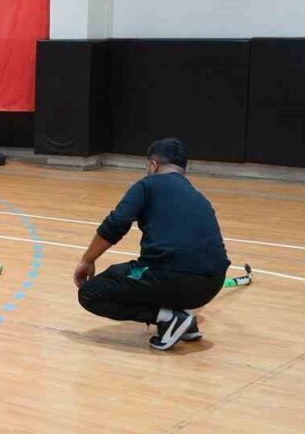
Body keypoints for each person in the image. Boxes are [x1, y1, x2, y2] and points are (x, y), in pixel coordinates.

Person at [73, 138, 231, 351]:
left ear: (153, 165)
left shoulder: (147, 185)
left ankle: (168, 318)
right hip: (211, 284)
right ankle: (183, 321)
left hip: (172, 277)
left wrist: (87, 260)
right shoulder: (199, 196)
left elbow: (116, 223)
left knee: (90, 293)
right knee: (154, 274)